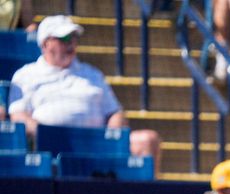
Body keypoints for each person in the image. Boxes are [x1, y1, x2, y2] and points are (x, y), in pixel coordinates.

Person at [7, 15, 162, 172]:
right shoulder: (25, 75)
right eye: (65, 38)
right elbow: (19, 117)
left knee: (147, 140)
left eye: (74, 37)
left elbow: (115, 113)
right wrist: (51, 135)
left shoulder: (93, 74)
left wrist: (111, 139)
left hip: (97, 146)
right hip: (50, 149)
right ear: (45, 43)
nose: (71, 43)